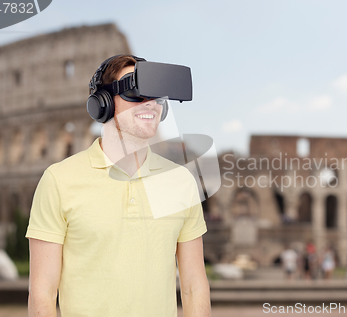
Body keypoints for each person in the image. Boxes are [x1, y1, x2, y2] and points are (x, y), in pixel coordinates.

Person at [25, 54, 210, 317]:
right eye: (134, 91)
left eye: (156, 95)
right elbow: (43, 293)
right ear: (102, 104)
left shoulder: (181, 182)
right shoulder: (58, 180)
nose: (150, 104)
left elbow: (194, 286)